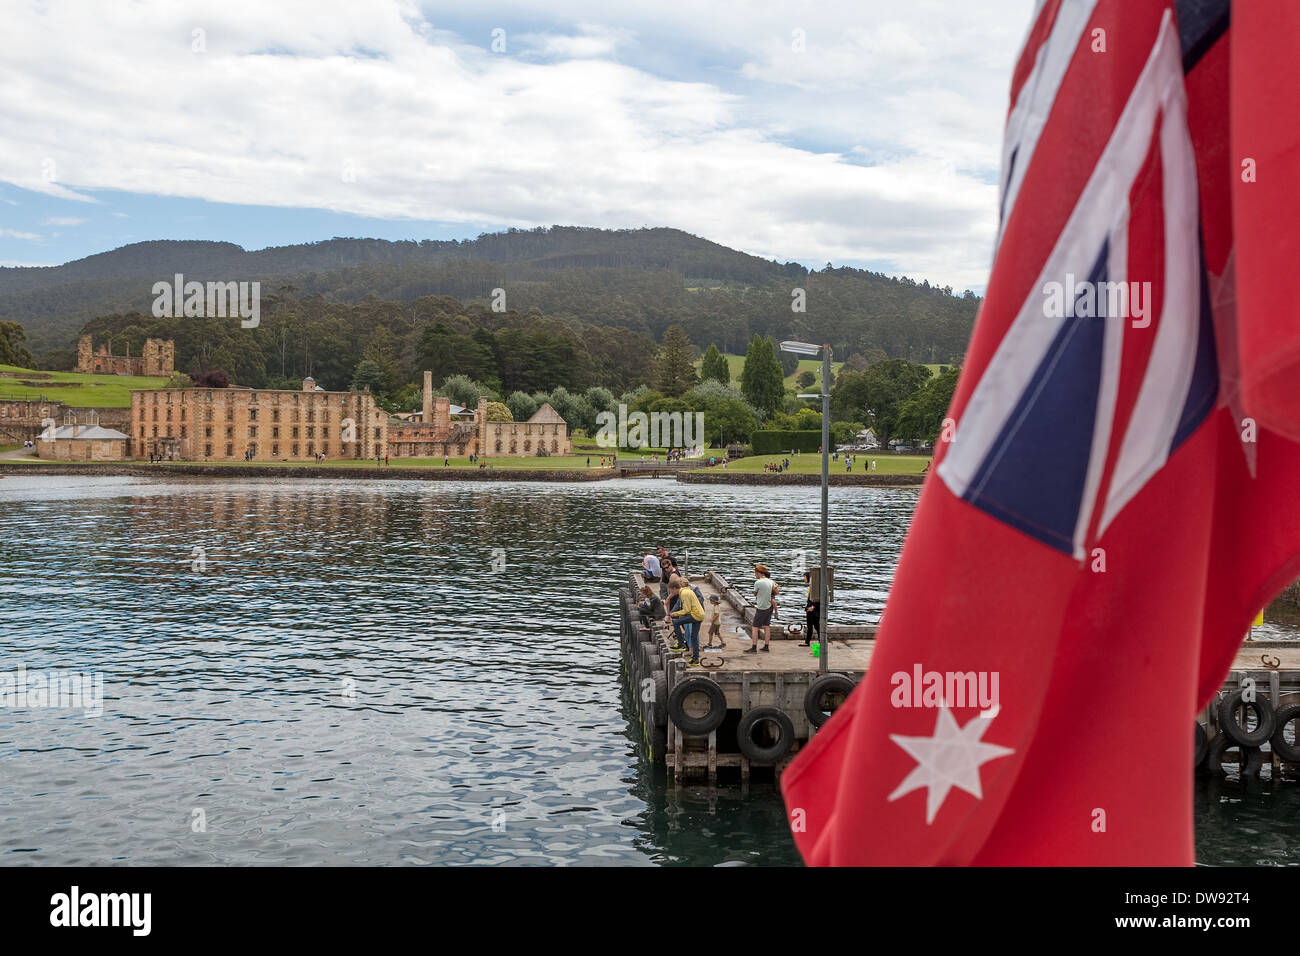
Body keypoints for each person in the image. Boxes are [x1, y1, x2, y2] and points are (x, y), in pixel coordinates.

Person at [667, 580, 705, 665]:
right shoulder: (687, 590)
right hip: (700, 615)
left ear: (674, 588)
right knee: (694, 637)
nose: (671, 593)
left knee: (676, 622)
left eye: (671, 591)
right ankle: (695, 659)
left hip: (695, 615)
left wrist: (674, 614)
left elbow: (686, 610)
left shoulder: (684, 594)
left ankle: (681, 644)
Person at [745, 563, 778, 653]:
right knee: (766, 626)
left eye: (755, 573)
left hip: (762, 607)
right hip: (769, 606)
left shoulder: (758, 582)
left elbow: (755, 593)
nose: (755, 575)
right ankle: (766, 646)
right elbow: (775, 592)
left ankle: (754, 647)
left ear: (759, 573)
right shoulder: (771, 581)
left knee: (755, 627)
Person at [802, 570, 819, 648]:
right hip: (810, 608)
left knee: (815, 626)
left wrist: (813, 607)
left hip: (812, 609)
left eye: (805, 577)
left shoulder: (813, 587)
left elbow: (816, 598)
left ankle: (809, 642)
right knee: (813, 626)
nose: (804, 579)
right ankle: (808, 641)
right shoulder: (811, 586)